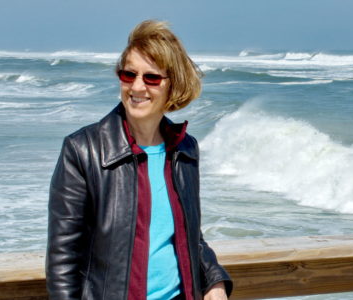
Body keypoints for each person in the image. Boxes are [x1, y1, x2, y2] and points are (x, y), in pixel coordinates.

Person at [46, 20, 232, 300]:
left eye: (151, 78)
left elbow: (191, 236)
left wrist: (215, 280)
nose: (137, 86)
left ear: (173, 84)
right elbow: (63, 258)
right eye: (128, 74)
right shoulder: (82, 149)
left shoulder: (185, 148)